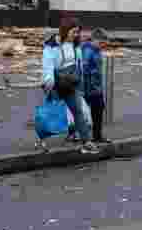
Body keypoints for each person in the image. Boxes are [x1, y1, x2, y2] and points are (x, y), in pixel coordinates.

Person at [41, 20, 95, 153]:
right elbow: (48, 65)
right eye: (74, 32)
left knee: (78, 112)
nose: (76, 35)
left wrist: (80, 82)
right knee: (50, 113)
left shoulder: (76, 45)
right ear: (65, 30)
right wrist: (49, 82)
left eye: (78, 32)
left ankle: (87, 141)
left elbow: (79, 63)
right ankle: (43, 140)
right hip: (56, 84)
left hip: (71, 84)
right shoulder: (52, 45)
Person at [79, 30, 107, 143]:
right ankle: (87, 136)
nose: (103, 45)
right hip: (89, 87)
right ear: (94, 40)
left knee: (98, 111)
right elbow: (84, 70)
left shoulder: (96, 50)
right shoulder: (87, 51)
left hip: (95, 86)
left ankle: (96, 136)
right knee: (88, 112)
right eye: (101, 43)